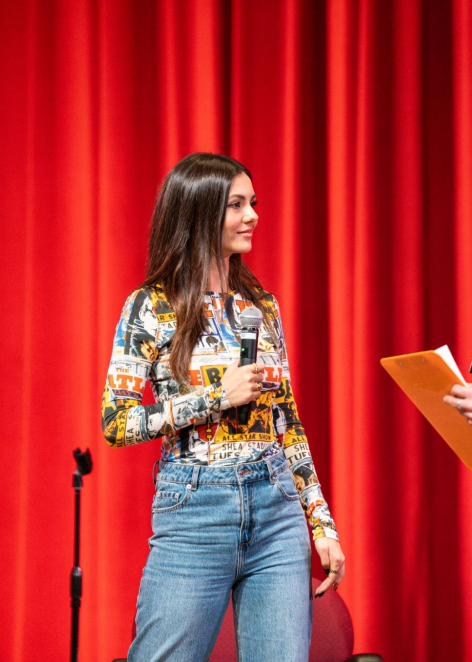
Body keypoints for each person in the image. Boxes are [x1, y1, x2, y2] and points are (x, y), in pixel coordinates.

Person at [101, 153, 345, 662]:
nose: (252, 215)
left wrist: (321, 523)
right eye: (236, 205)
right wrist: (214, 398)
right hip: (195, 509)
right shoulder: (149, 306)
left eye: (252, 203)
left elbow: (288, 423)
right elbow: (116, 422)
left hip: (276, 509)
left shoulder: (262, 305)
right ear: (199, 213)